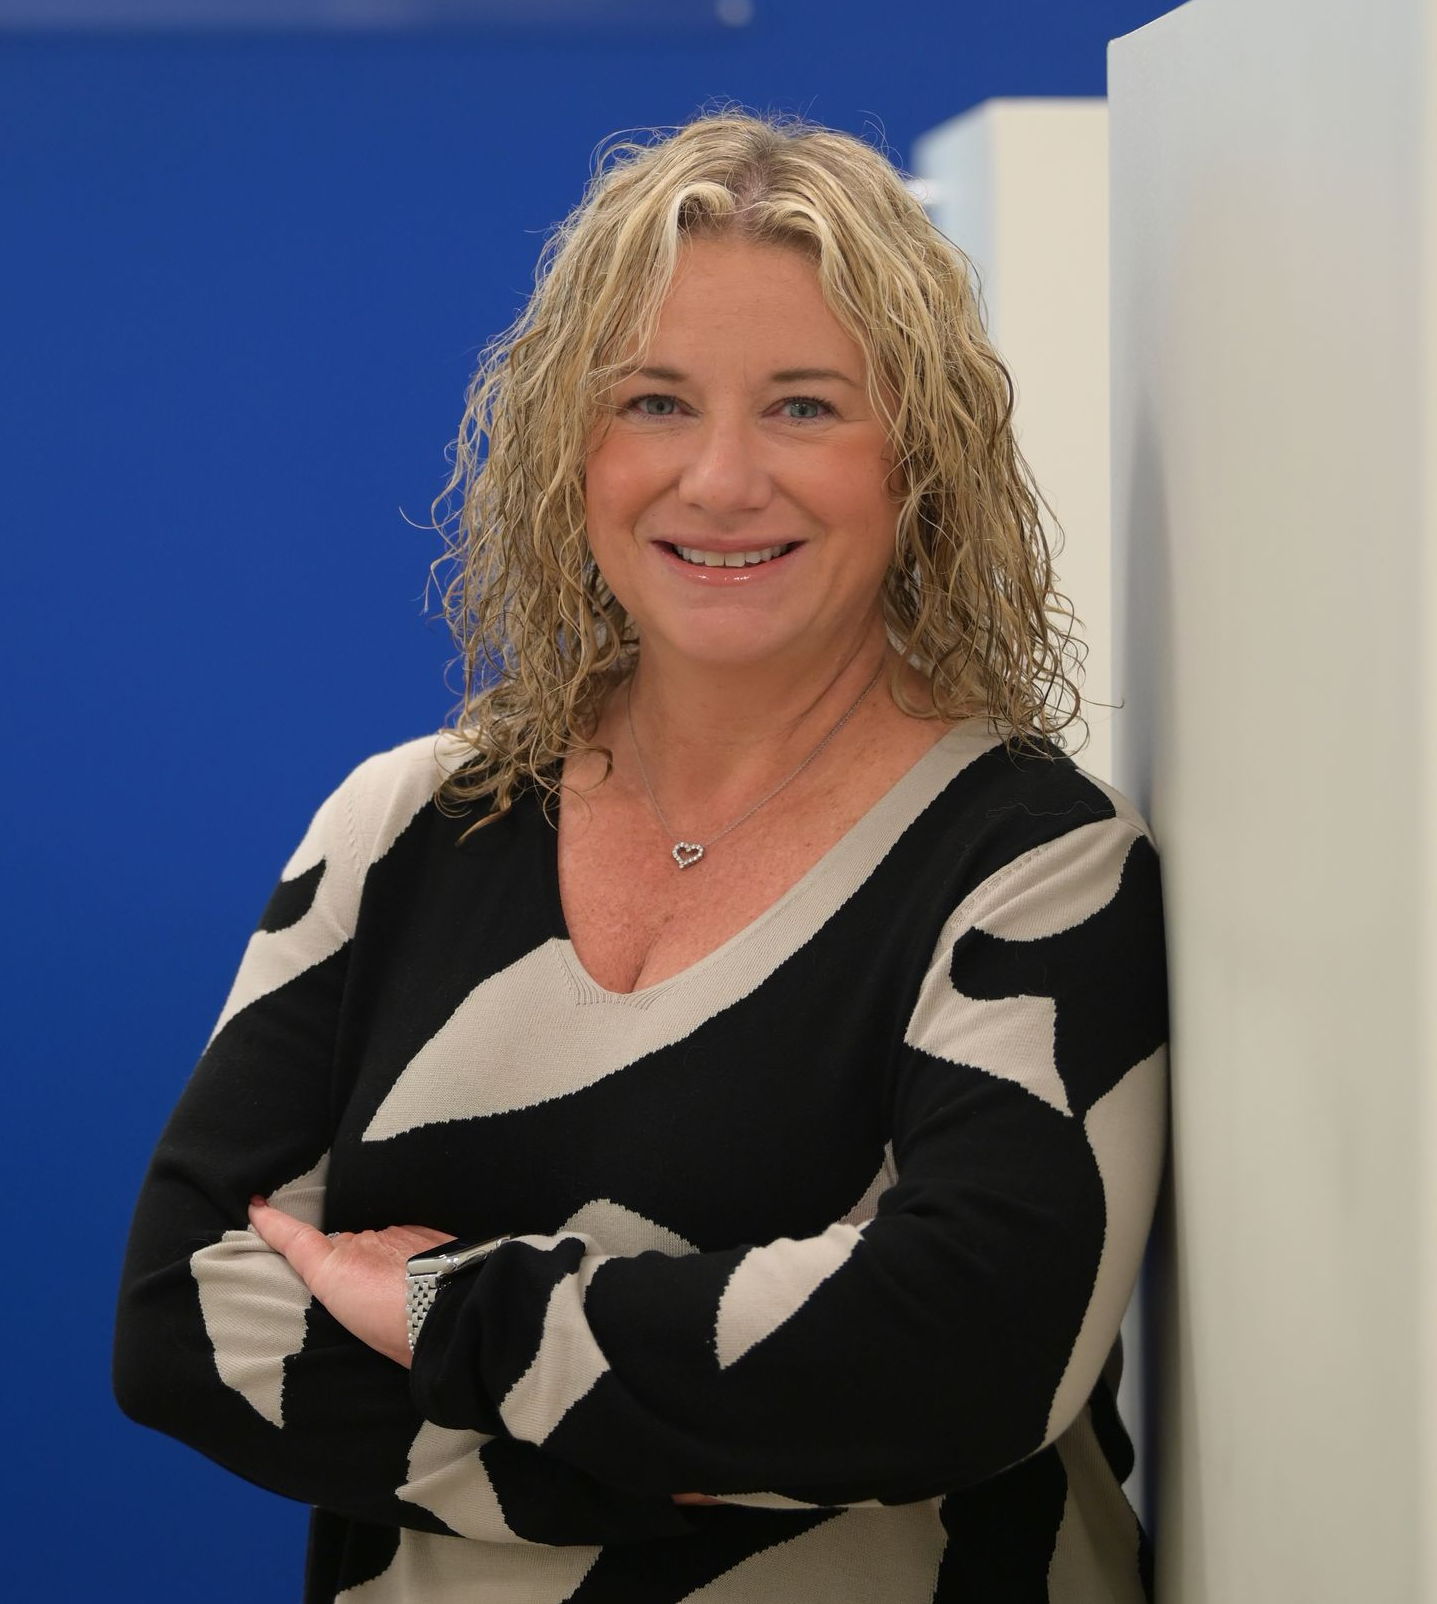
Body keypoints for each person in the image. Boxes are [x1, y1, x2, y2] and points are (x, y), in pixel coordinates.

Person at [114, 110, 1168, 1604]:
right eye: (656, 404)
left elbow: (966, 1361)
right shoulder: (404, 827)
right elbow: (183, 1325)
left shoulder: (1038, 864)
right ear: (569, 446)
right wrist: (689, 1441)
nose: (722, 480)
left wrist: (441, 1312)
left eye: (806, 407)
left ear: (918, 457)